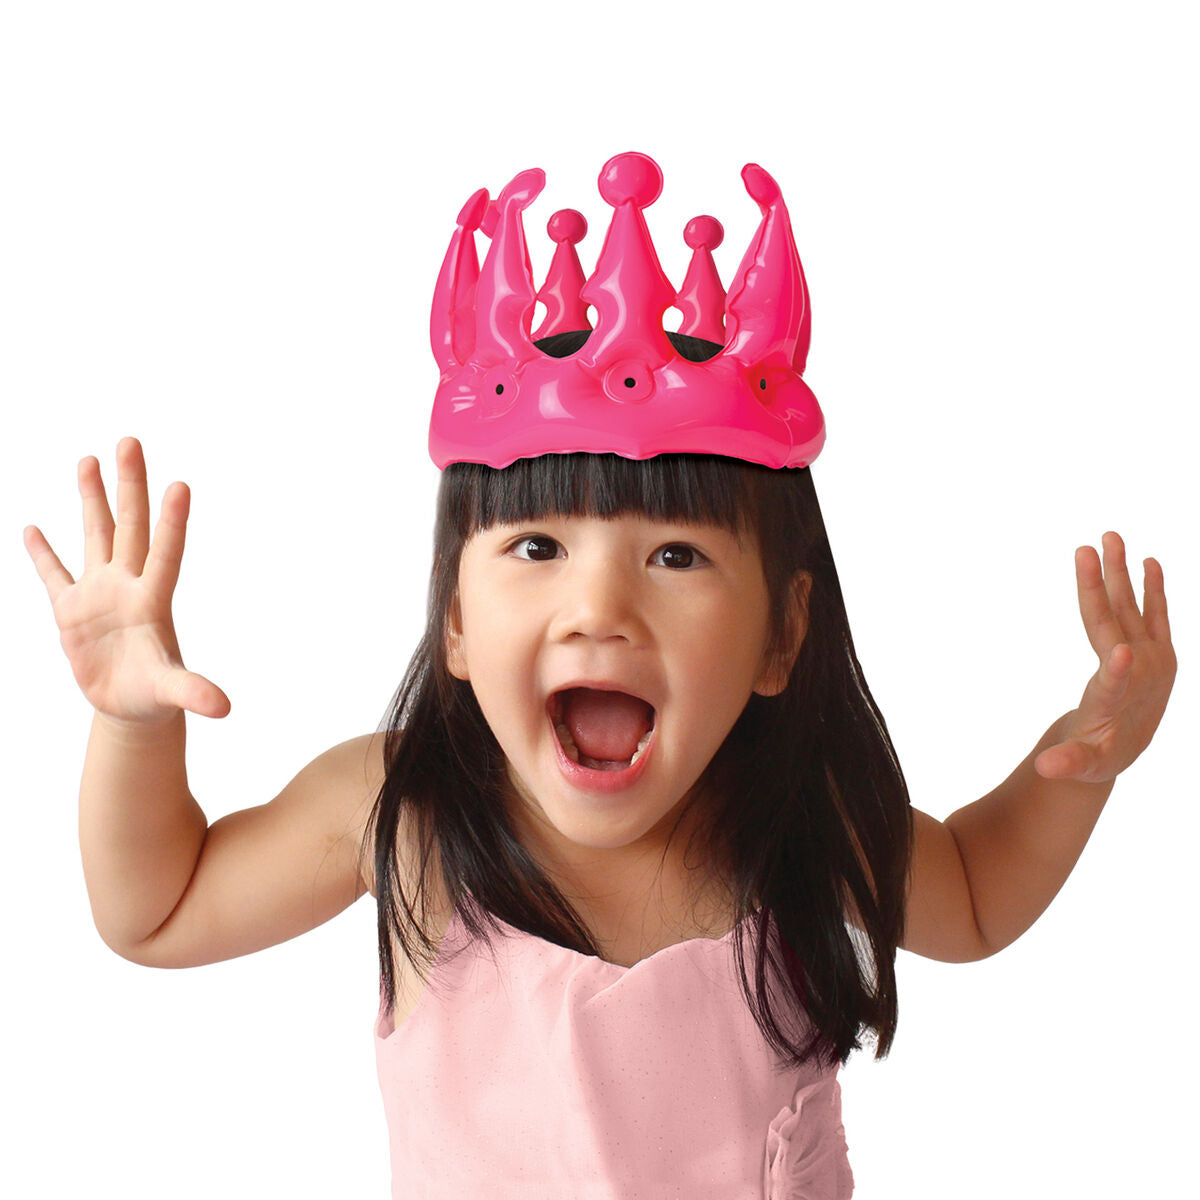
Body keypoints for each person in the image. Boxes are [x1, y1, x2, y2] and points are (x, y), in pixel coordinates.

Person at [22, 152, 1177, 1199]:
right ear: (457, 619)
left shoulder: (797, 818)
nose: (600, 609)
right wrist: (133, 730)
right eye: (538, 548)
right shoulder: (404, 811)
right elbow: (157, 912)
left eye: (676, 556)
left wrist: (1080, 762)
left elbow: (970, 897)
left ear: (782, 637)